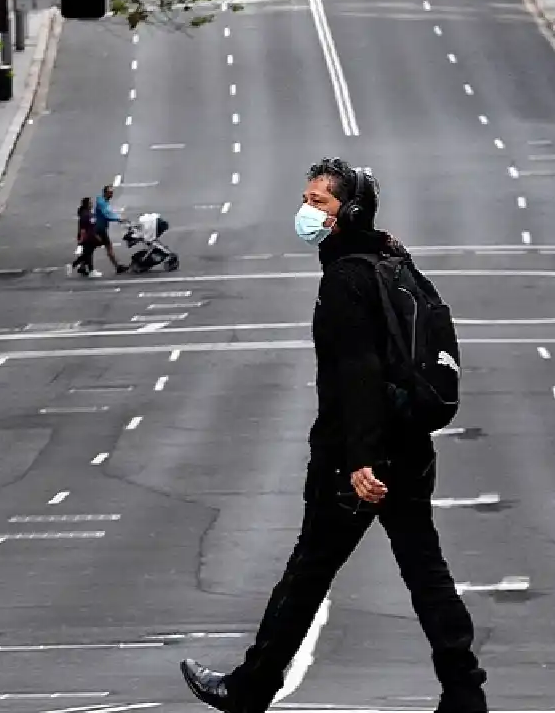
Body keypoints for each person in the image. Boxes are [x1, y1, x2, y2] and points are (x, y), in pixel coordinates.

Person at [180, 157, 488, 713]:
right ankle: (465, 695)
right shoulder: (392, 260)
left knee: (308, 572)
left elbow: (358, 372)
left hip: (358, 458)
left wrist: (361, 459)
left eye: (318, 202)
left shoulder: (347, 277)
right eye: (306, 199)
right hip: (410, 447)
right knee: (426, 572)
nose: (305, 211)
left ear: (348, 212)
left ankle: (250, 689)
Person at [94, 185, 129, 274]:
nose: (111, 195)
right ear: (105, 193)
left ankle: (83, 265)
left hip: (101, 228)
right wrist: (119, 219)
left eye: (112, 193)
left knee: (92, 247)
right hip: (99, 228)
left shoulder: (104, 201)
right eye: (110, 193)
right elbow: (107, 215)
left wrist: (119, 218)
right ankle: (118, 267)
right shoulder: (102, 203)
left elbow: (109, 213)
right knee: (108, 247)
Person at [72, 197, 100, 276]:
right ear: (87, 204)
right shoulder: (85, 215)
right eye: (90, 203)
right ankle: (90, 270)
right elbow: (83, 229)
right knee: (88, 254)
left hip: (90, 236)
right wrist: (82, 238)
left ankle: (82, 267)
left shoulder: (87, 213)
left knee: (87, 252)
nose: (92, 204)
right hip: (88, 237)